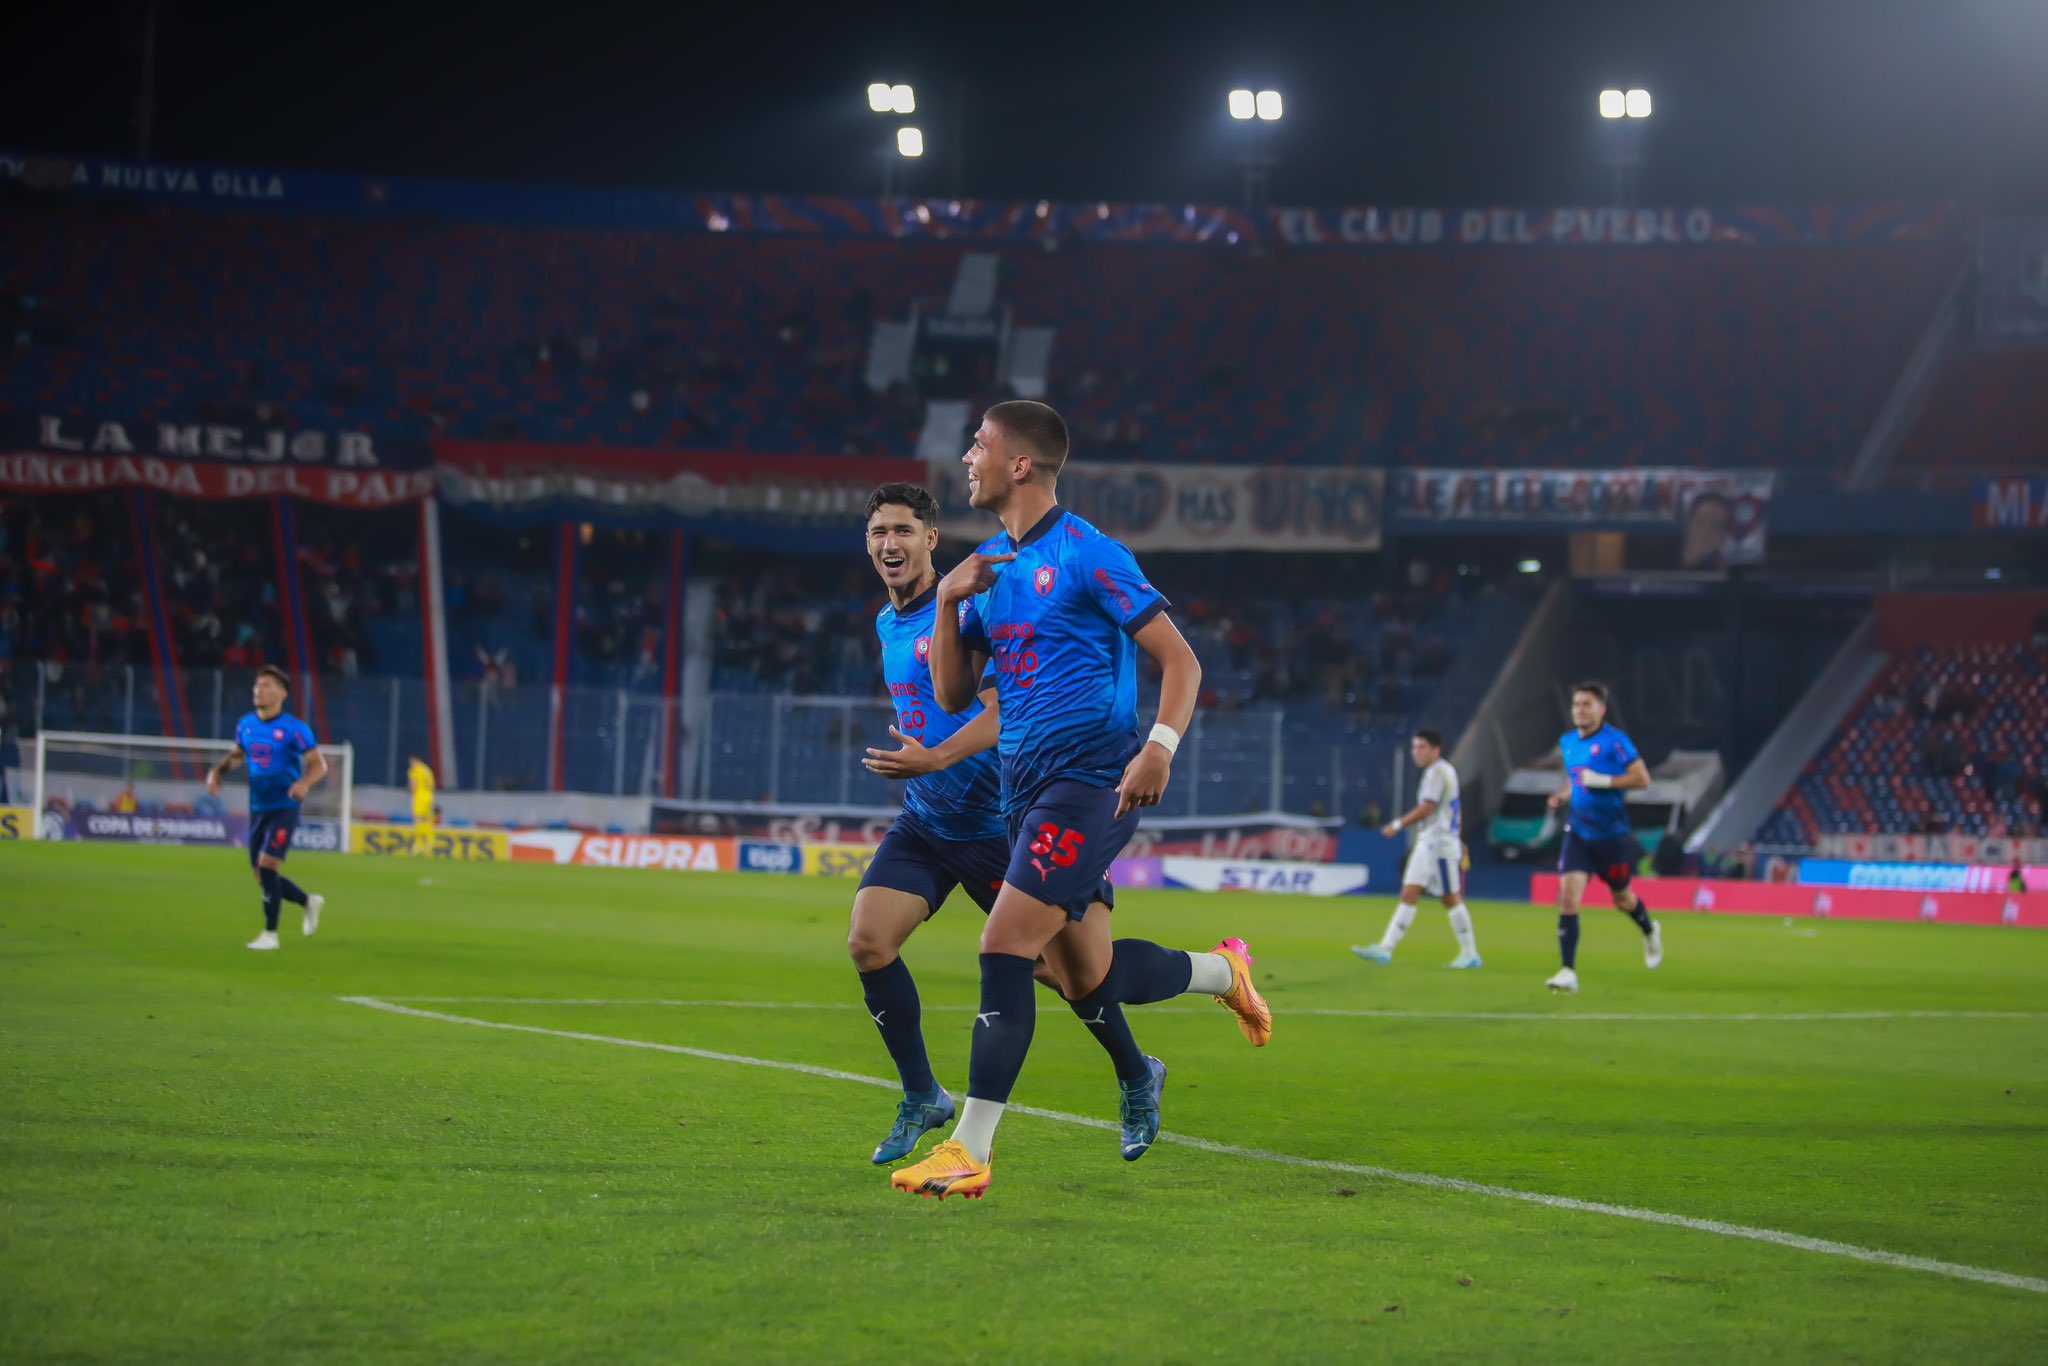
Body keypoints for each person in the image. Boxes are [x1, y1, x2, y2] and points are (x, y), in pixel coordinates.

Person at [891, 400, 1270, 1202]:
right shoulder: (987, 568)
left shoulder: (1091, 554)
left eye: (981, 445)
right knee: (1083, 974)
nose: (967, 457)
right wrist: (952, 601)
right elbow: (958, 696)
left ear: (1020, 464)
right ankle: (1219, 972)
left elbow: (1182, 662)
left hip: (1090, 783)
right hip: (1022, 795)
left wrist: (1157, 749)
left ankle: (970, 1148)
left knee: (1004, 948)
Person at [851, 483, 1170, 1166]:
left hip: (1003, 823)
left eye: (904, 531)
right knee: (868, 943)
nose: (890, 544)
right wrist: (926, 766)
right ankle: (922, 1096)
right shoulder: (886, 622)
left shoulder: (985, 594)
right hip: (930, 823)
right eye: (879, 532)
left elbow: (1000, 712)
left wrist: (935, 754)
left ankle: (1138, 1072)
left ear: (932, 539)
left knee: (1080, 978)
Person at [1544, 681, 1659, 993]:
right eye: (1576, 704)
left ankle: (1649, 930)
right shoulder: (1568, 742)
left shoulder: (1615, 742)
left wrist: (1604, 781)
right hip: (1578, 832)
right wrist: (1564, 795)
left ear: (1601, 709)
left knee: (1622, 899)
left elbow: (1643, 779)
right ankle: (1568, 971)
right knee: (1568, 897)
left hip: (1611, 837)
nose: (1580, 710)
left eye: (1587, 704)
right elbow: (1578, 780)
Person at [206, 665, 327, 950]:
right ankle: (308, 902)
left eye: (267, 685)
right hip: (258, 807)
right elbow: (238, 755)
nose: (258, 689)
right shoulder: (246, 725)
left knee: (268, 865)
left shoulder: (295, 729)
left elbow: (318, 765)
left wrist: (305, 784)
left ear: (282, 693)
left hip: (284, 806)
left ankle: (270, 934)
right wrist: (217, 772)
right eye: (257, 685)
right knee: (263, 877)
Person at [1353, 729, 1481, 969]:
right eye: (1414, 747)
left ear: (1436, 749)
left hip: (1440, 844)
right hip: (1429, 842)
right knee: (1409, 893)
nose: (1416, 752)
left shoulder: (1440, 772)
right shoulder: (1435, 772)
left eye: (1421, 747)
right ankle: (1385, 948)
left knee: (1450, 898)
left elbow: (1427, 808)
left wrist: (1397, 824)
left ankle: (1470, 953)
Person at [407, 755, 436, 855]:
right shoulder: (427, 769)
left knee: (418, 820)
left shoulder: (414, 770)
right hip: (429, 796)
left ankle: (418, 845)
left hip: (419, 796)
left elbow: (413, 786)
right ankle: (430, 842)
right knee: (427, 820)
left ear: (415, 761)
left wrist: (413, 790)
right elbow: (432, 785)